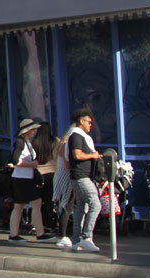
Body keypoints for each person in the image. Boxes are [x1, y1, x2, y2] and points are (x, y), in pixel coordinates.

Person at [7, 118, 54, 242]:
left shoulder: (27, 143)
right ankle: (40, 233)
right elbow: (15, 160)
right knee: (36, 203)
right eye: (32, 129)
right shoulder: (20, 142)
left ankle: (14, 234)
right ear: (26, 131)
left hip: (23, 177)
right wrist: (32, 164)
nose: (34, 131)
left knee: (19, 206)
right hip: (22, 178)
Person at [67, 108, 102, 253]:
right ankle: (87, 237)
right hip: (81, 176)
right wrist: (93, 155)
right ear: (81, 121)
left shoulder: (78, 135)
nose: (90, 125)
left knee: (80, 207)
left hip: (81, 176)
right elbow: (77, 155)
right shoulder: (76, 135)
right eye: (89, 122)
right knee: (95, 204)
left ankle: (76, 240)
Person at [52, 124, 77, 248]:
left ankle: (63, 234)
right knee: (66, 205)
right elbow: (67, 165)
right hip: (65, 175)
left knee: (66, 205)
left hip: (62, 174)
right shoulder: (65, 144)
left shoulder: (63, 143)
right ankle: (62, 235)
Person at [32, 122, 59, 230]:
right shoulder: (55, 141)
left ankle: (38, 224)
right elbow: (57, 158)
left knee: (38, 202)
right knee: (49, 200)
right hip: (52, 173)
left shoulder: (34, 142)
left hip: (39, 174)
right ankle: (50, 224)